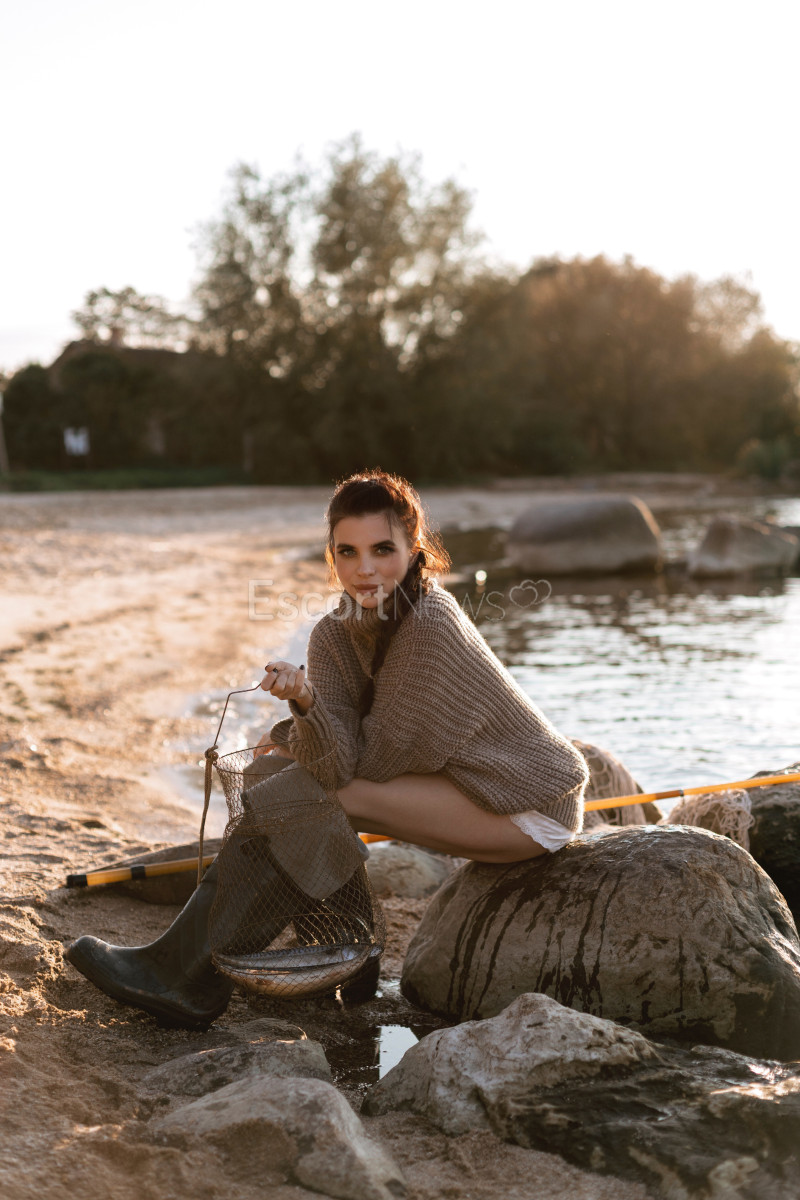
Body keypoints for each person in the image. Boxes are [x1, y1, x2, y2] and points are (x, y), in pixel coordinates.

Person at [64, 469, 588, 1028]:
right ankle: (344, 955)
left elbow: (368, 762)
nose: (365, 569)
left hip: (526, 808)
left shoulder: (430, 625)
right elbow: (339, 757)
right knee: (271, 776)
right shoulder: (335, 631)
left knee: (298, 788)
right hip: (460, 790)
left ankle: (185, 973)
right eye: (348, 551)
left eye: (383, 549)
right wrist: (305, 705)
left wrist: (293, 728)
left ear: (414, 548)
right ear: (331, 555)